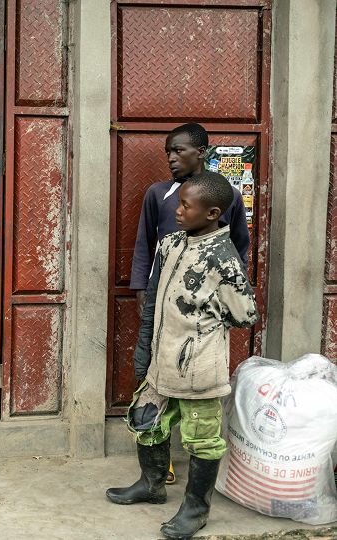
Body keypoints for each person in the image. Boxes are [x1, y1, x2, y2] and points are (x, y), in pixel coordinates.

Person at [106, 171, 259, 540]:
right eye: (179, 202)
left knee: (201, 439)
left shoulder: (223, 259)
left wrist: (202, 319)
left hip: (198, 368)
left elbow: (245, 314)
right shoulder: (170, 243)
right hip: (161, 361)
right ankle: (151, 484)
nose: (177, 210)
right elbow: (154, 298)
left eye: (186, 205)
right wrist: (145, 348)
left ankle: (195, 509)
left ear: (212, 213)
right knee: (145, 421)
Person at [129, 122, 250, 484]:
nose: (171, 157)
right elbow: (145, 243)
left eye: (178, 150)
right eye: (167, 151)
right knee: (151, 370)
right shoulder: (158, 194)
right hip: (161, 293)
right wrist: (142, 289)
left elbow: (238, 245)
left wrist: (222, 289)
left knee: (194, 377)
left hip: (198, 308)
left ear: (201, 152)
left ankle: (195, 489)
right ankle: (158, 469)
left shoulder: (225, 194)